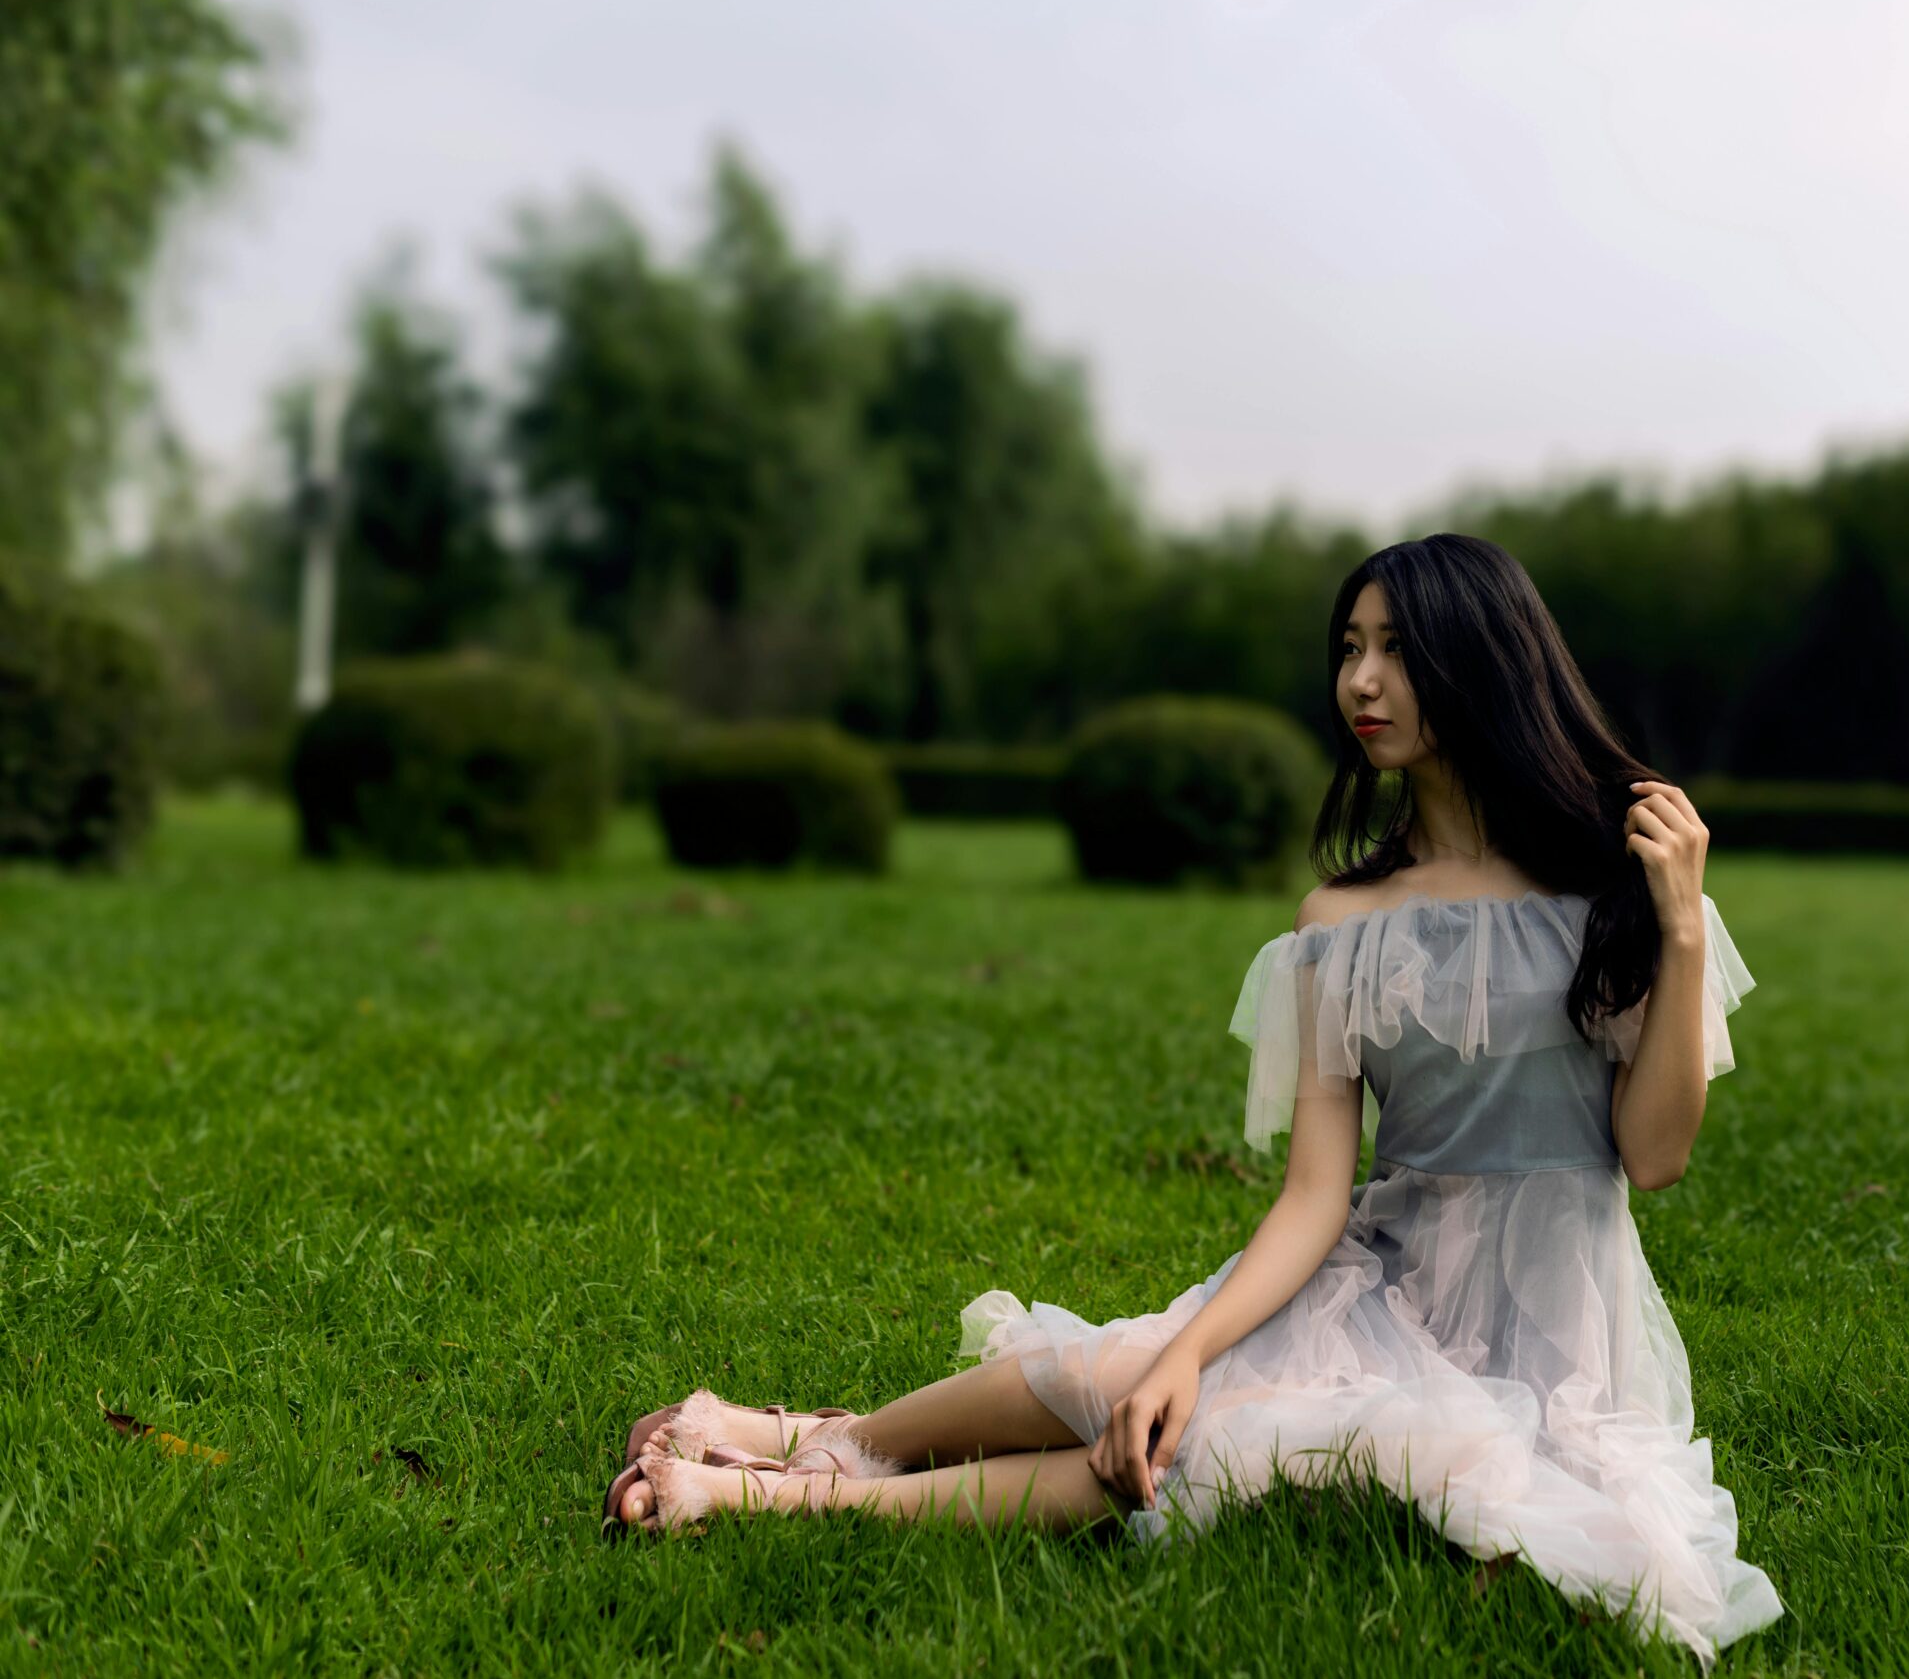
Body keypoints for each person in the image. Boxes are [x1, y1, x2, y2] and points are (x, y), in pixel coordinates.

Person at [602, 532, 1785, 1667]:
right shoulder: (1339, 922)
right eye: (1348, 645)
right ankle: (790, 1441)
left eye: (1394, 650)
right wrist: (1192, 1343)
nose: (1358, 681)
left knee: (1169, 1454)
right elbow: (1317, 1192)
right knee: (1145, 1383)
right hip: (1380, 1275)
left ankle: (768, 1489)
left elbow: (1654, 1152)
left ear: (1483, 661)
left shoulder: (1621, 885)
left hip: (1552, 1332)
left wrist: (1681, 923)